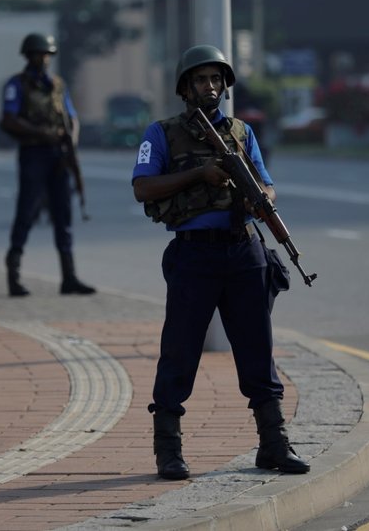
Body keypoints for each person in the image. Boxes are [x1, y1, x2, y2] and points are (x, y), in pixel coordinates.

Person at [131, 44, 310, 480]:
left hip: (243, 249)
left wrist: (260, 197)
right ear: (185, 88)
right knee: (180, 351)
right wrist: (199, 174)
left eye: (216, 79)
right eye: (200, 79)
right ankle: (168, 452)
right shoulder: (161, 133)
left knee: (257, 349)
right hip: (193, 253)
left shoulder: (242, 133)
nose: (209, 86)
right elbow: (143, 188)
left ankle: (273, 443)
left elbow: (268, 186)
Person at [0, 32, 95, 297]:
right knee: (26, 212)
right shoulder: (16, 84)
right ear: (28, 56)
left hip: (59, 154)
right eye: (39, 54)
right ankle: (14, 276)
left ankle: (69, 277)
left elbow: (71, 116)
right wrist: (43, 134)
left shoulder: (57, 84)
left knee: (63, 215)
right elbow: (8, 120)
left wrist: (71, 140)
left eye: (46, 55)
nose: (43, 59)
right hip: (33, 153)